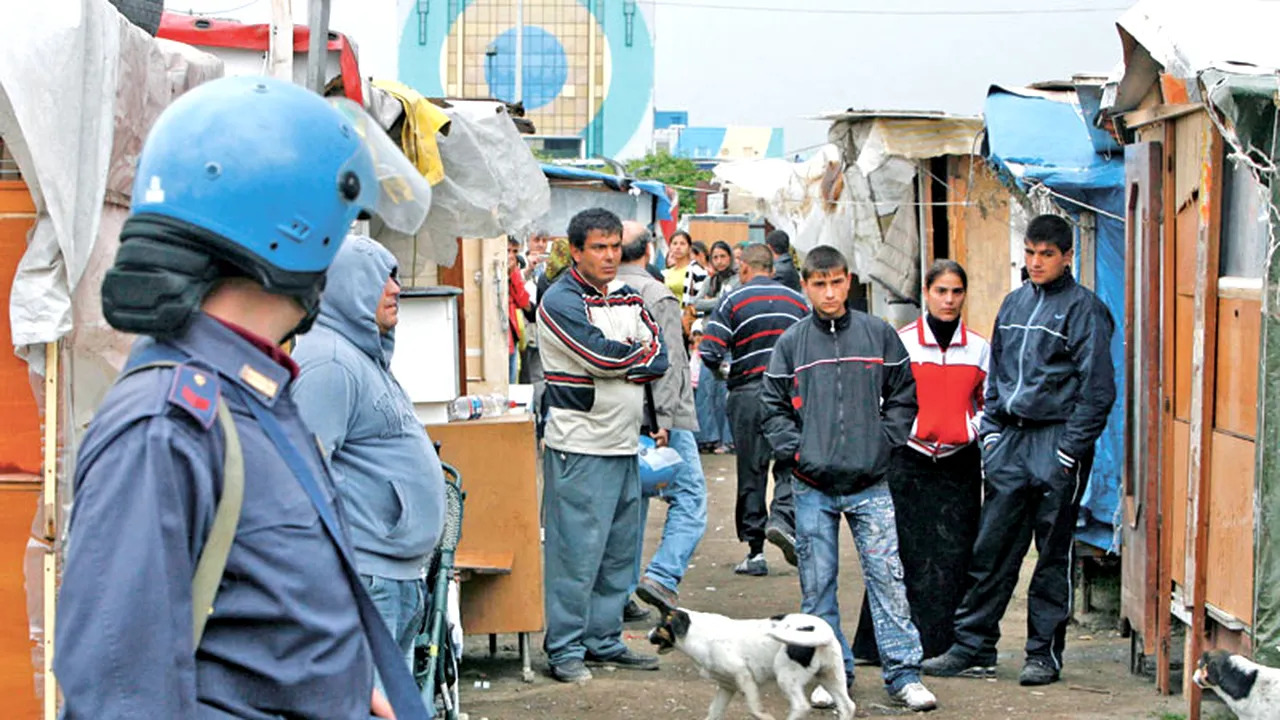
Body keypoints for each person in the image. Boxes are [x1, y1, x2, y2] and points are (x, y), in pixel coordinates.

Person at [53, 76, 431, 719]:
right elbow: (120, 695)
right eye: (338, 229)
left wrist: (339, 691)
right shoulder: (167, 424)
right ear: (291, 229)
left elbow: (257, 616)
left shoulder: (252, 393)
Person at [923, 214, 1117, 687]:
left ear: (1068, 256)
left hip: (1057, 442)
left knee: (1051, 555)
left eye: (1046, 254)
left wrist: (1070, 451)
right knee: (991, 549)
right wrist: (990, 434)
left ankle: (1043, 655)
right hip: (1010, 441)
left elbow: (1098, 391)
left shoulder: (1084, 309)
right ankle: (972, 647)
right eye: (1030, 253)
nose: (1035, 262)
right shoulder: (1012, 303)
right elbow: (998, 376)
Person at [760, 246, 937, 712]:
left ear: (849, 281)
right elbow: (772, 406)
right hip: (811, 486)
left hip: (871, 485)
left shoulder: (878, 335)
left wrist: (883, 443)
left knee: (887, 579)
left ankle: (904, 674)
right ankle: (832, 675)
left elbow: (903, 396)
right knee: (818, 586)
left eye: (837, 282)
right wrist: (798, 452)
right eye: (819, 283)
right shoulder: (791, 343)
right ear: (805, 286)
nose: (830, 292)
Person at [291, 235, 446, 680]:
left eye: (395, 277)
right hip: (365, 578)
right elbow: (304, 477)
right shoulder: (330, 364)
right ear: (346, 286)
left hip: (393, 576)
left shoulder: (363, 357)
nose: (396, 288)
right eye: (382, 278)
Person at [537, 208, 670, 683]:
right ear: (576, 251)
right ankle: (565, 649)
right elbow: (599, 356)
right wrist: (632, 360)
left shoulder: (629, 295)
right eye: (599, 247)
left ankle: (604, 639)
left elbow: (661, 354)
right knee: (576, 555)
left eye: (615, 246)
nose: (610, 256)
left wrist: (630, 361)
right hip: (580, 445)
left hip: (622, 443)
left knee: (618, 553)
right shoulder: (560, 301)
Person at [851, 259, 990, 665]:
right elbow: (882, 398)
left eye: (956, 292)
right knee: (898, 552)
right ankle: (879, 647)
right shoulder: (901, 343)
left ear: (965, 295)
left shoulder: (980, 348)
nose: (949, 300)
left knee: (956, 552)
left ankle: (947, 648)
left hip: (959, 463)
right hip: (907, 462)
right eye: (941, 291)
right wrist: (902, 434)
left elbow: (991, 401)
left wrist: (971, 430)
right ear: (926, 294)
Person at [699, 244, 808, 576]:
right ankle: (783, 518)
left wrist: (729, 372)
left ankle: (756, 551)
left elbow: (711, 352)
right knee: (792, 460)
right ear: (772, 268)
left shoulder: (733, 299)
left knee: (751, 470)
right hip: (791, 395)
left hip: (748, 394)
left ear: (743, 268)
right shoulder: (798, 302)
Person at [617, 221, 707, 614]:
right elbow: (669, 363)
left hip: (618, 415)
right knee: (689, 498)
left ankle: (619, 595)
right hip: (661, 417)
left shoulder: (595, 291)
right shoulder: (655, 295)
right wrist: (666, 421)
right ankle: (663, 575)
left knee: (629, 504)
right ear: (649, 251)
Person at [508, 237, 533, 383]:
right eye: (507, 251)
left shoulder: (513, 273)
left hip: (512, 336)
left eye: (514, 252)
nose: (511, 256)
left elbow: (522, 301)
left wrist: (513, 272)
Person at [692, 241, 739, 316]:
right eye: (715, 257)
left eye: (723, 256)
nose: (719, 261)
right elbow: (696, 303)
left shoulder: (738, 279)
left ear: (730, 257)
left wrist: (708, 301)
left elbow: (733, 302)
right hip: (708, 324)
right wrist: (722, 300)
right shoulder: (710, 280)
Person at [663, 230, 707, 309]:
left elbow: (702, 297)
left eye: (682, 244)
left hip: (687, 316)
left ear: (689, 248)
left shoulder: (696, 271)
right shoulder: (667, 272)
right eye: (674, 243)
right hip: (669, 316)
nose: (678, 247)